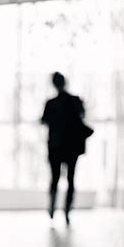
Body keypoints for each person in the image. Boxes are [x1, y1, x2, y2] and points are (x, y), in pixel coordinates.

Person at [41, 72, 86, 225]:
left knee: (54, 178)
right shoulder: (75, 100)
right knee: (70, 179)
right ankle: (67, 210)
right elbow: (82, 116)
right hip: (72, 147)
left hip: (55, 146)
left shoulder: (51, 103)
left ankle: (53, 208)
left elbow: (44, 121)